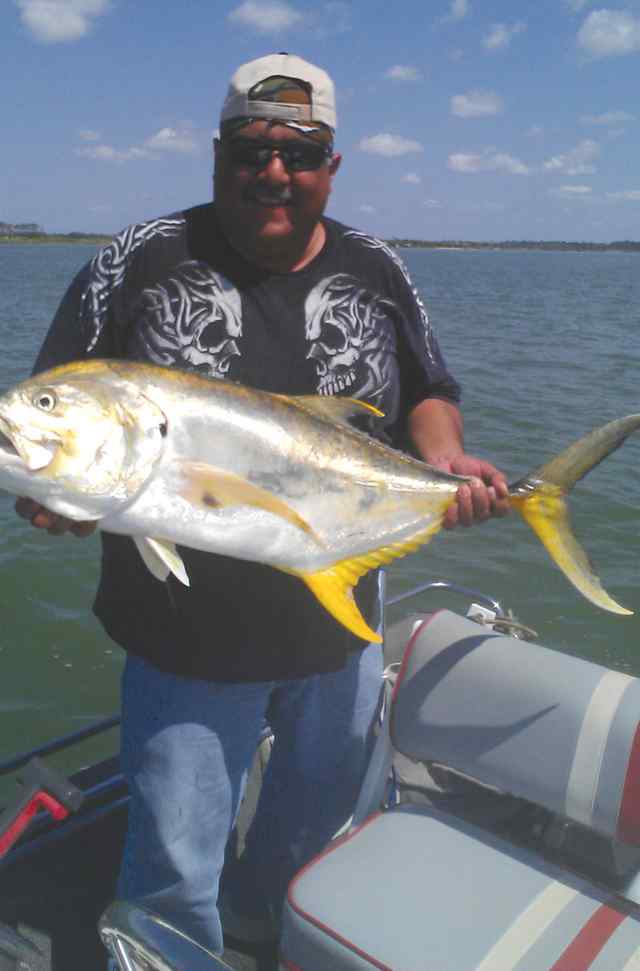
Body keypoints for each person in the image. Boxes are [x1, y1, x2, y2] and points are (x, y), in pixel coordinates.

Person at [16, 53, 510, 957]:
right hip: (184, 648)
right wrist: (57, 501)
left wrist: (446, 464)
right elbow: (59, 411)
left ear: (332, 165)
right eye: (251, 149)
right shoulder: (132, 262)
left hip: (342, 633)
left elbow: (432, 387)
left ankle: (268, 936)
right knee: (173, 867)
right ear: (217, 154)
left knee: (307, 842)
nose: (273, 171)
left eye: (301, 151)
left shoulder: (379, 268)